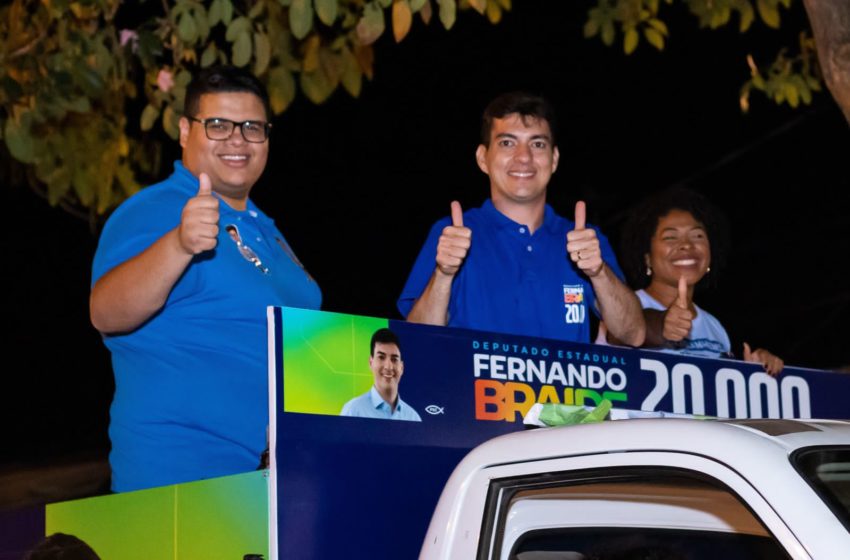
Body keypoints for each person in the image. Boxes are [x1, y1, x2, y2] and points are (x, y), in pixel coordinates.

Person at [90, 66, 321, 492]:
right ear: (184, 130)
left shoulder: (265, 227)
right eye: (218, 125)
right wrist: (179, 244)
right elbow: (106, 312)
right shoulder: (154, 210)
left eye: (252, 127)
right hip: (181, 486)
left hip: (276, 481)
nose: (237, 139)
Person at [398, 92, 644, 346]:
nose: (524, 157)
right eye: (507, 143)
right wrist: (444, 272)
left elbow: (633, 335)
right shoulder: (451, 234)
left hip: (563, 387)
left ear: (554, 159)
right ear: (483, 158)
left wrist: (599, 272)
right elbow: (417, 343)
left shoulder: (585, 238)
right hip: (470, 386)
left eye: (537, 144)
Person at [612, 188, 783, 374]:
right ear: (647, 258)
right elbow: (618, 337)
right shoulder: (625, 307)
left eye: (697, 236)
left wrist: (750, 374)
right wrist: (659, 325)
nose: (687, 245)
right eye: (670, 237)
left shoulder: (714, 327)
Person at [340, 328, 422, 421]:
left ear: (401, 367)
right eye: (381, 357)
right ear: (371, 362)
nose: (388, 366)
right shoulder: (353, 410)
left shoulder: (413, 417)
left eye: (394, 359)